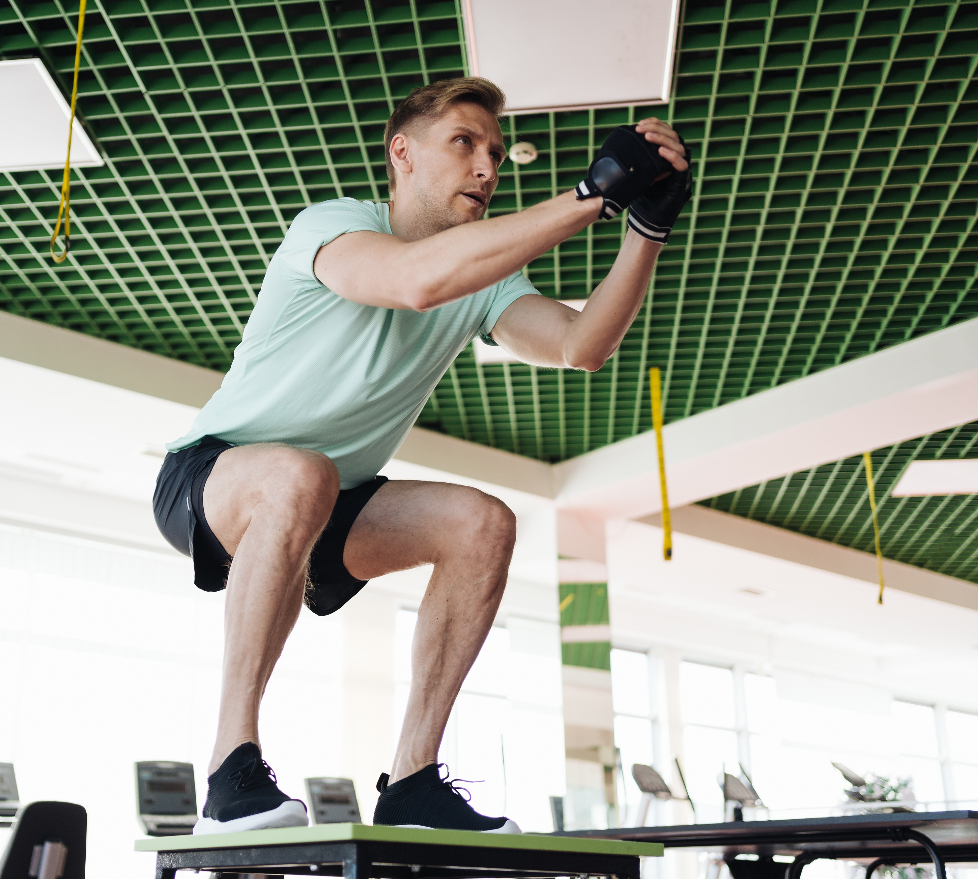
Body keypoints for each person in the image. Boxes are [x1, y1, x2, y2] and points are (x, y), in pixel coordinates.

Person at [153, 76, 692, 835]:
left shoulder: (485, 279)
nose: (487, 167)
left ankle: (412, 781)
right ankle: (229, 768)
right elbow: (414, 282)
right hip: (214, 476)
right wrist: (589, 198)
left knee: (483, 522)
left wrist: (644, 233)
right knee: (298, 473)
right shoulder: (335, 229)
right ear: (402, 153)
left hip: (337, 497)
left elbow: (581, 345)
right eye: (465, 144)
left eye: (497, 154)